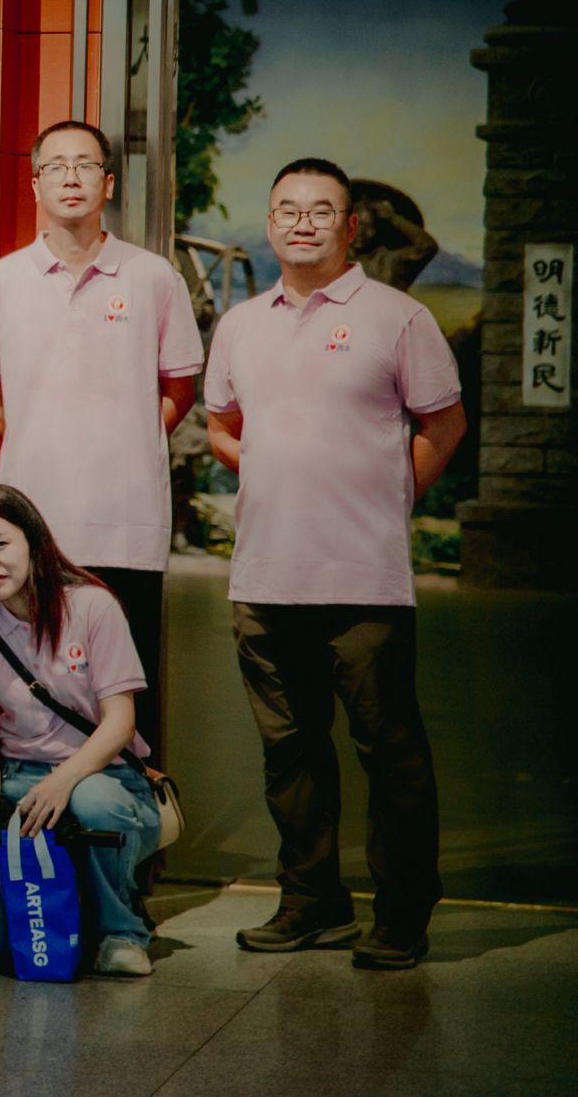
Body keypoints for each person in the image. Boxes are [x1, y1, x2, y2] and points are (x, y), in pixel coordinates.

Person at [204, 157, 466, 969]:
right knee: (290, 752)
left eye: (321, 210)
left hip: (363, 581)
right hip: (265, 579)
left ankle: (402, 912)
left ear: (350, 226)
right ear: (271, 222)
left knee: (388, 750)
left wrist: (388, 495)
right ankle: (312, 900)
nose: (303, 222)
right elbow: (220, 425)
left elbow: (445, 425)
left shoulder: (398, 317)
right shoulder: (240, 324)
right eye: (287, 209)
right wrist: (272, 473)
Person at [0, 121, 201, 753]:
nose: (72, 178)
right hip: (32, 527)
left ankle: (132, 811)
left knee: (127, 698)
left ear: (109, 183)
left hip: (126, 524)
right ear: (35, 183)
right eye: (57, 166)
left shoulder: (154, 277)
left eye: (86, 165)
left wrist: (127, 439)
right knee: (35, 695)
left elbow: (179, 389)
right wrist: (48, 437)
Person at [0, 484, 161, 979]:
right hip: (20, 781)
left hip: (105, 779)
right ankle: (78, 908)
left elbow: (120, 721)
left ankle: (122, 931)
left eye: (0, 544)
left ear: (32, 540)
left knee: (93, 802)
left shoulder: (91, 606)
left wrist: (63, 781)